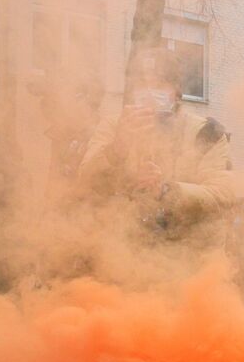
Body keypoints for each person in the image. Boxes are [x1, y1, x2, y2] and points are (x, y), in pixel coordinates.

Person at [77, 47, 232, 240]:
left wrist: (168, 190)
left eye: (159, 84)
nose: (149, 93)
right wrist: (117, 148)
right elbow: (85, 181)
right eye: (142, 84)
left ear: (177, 92)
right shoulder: (113, 126)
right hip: (121, 250)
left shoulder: (206, 133)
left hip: (187, 254)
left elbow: (221, 197)